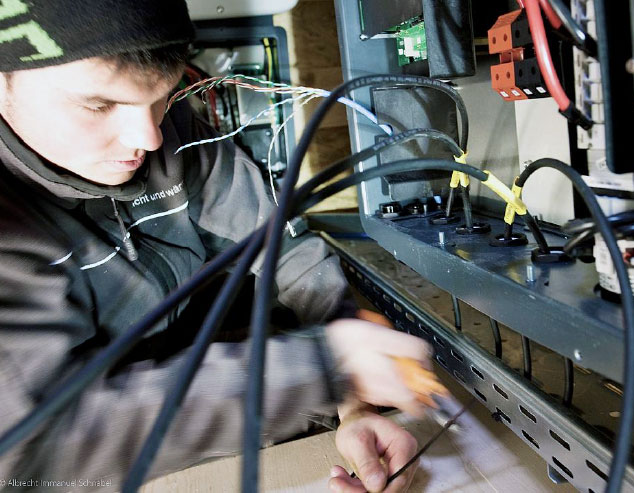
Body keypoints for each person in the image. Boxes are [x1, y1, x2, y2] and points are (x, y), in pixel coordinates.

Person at [0, 1, 434, 492]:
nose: (148, 138)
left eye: (162, 97)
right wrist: (320, 368)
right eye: (99, 105)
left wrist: (353, 404)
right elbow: (34, 443)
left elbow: (281, 246)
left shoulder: (173, 132)